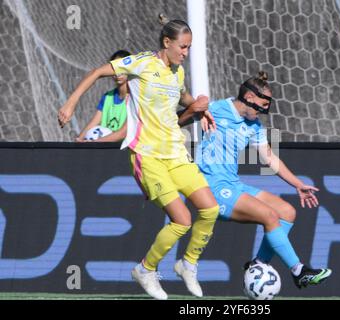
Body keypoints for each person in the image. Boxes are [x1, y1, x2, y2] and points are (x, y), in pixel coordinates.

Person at [58, 15, 220, 300]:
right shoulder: (141, 63)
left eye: (189, 47)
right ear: (167, 43)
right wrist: (70, 104)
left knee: (210, 210)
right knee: (182, 221)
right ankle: (146, 270)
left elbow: (181, 97)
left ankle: (188, 263)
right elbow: (97, 72)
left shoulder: (177, 72)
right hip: (147, 156)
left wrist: (199, 107)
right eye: (182, 47)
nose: (185, 53)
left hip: (176, 152)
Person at [179, 71, 332, 290]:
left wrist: (298, 184)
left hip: (233, 185)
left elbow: (269, 157)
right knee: (269, 216)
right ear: (250, 97)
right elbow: (177, 118)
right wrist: (196, 109)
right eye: (264, 102)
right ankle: (299, 271)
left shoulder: (255, 126)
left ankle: (258, 264)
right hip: (210, 188)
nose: (267, 108)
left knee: (287, 212)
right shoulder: (215, 108)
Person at [76, 50, 131, 142]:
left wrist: (94, 143)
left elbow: (123, 133)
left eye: (122, 68)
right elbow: (94, 122)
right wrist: (80, 139)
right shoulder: (107, 97)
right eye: (114, 68)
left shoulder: (136, 98)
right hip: (106, 150)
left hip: (126, 152)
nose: (118, 73)